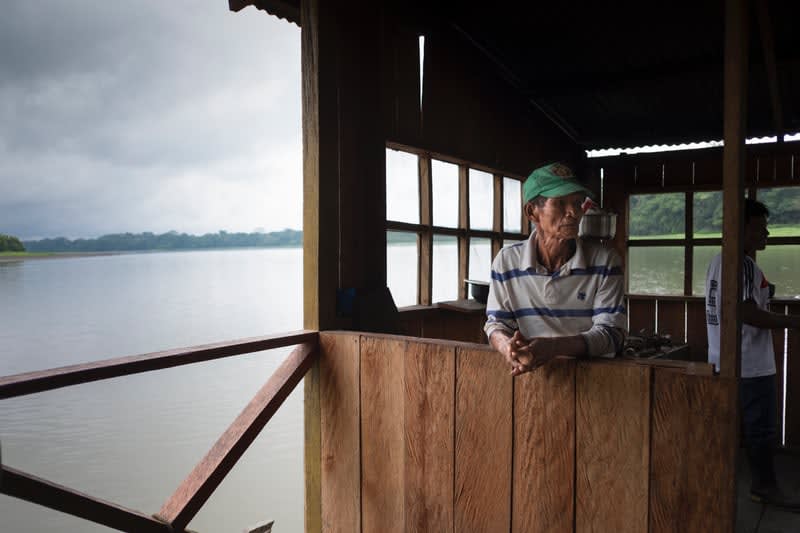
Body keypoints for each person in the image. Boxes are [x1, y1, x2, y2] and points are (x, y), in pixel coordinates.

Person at [485, 162, 627, 375]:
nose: (573, 212)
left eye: (578, 202)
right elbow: (496, 324)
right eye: (560, 203)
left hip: (594, 380)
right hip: (530, 378)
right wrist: (508, 348)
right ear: (532, 212)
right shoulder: (507, 262)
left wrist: (553, 348)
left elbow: (612, 335)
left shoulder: (605, 261)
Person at [705, 198, 800, 507]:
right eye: (761, 228)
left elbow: (748, 294)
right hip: (751, 364)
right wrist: (793, 322)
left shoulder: (719, 261)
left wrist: (766, 290)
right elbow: (746, 313)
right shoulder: (742, 264)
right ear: (741, 228)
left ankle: (718, 483)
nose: (767, 234)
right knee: (761, 430)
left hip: (722, 359)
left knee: (729, 428)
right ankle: (764, 487)